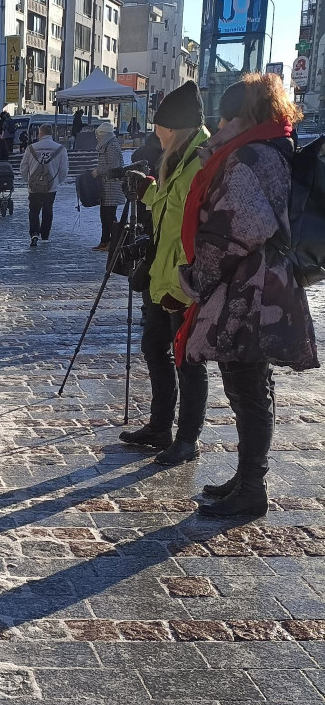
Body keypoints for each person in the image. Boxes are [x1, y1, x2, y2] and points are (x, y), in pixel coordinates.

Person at [178, 74, 319, 517]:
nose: (219, 128)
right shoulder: (268, 148)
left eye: (226, 120)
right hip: (258, 284)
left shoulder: (254, 156)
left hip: (249, 290)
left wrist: (198, 277)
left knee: (248, 388)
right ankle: (247, 476)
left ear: (244, 117)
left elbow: (235, 228)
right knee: (250, 386)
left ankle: (253, 488)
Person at [118, 81, 210, 468]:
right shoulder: (179, 159)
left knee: (188, 362)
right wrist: (148, 189)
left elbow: (195, 233)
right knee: (154, 348)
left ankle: (188, 439)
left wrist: (180, 288)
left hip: (184, 283)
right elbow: (169, 211)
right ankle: (160, 426)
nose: (157, 139)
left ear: (178, 129)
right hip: (162, 277)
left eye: (161, 132)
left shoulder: (202, 162)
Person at [19, 123, 68, 247]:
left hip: (34, 186)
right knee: (48, 209)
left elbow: (23, 167)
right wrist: (57, 181)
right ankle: (45, 235)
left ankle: (34, 233)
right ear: (51, 133)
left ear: (40, 134)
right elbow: (64, 170)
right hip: (51, 186)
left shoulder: (31, 148)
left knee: (34, 210)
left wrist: (28, 180)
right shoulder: (60, 149)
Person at [91, 120, 124, 251]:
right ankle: (105, 241)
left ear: (103, 134)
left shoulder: (111, 146)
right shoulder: (106, 145)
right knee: (105, 215)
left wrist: (98, 171)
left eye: (98, 134)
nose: (97, 137)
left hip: (112, 186)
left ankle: (111, 242)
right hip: (106, 186)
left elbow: (114, 167)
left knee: (109, 216)